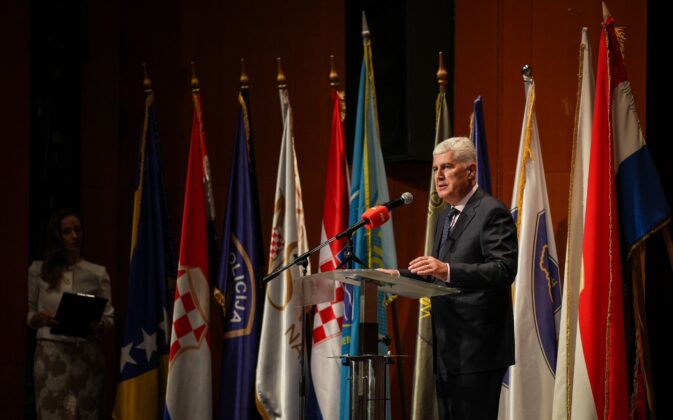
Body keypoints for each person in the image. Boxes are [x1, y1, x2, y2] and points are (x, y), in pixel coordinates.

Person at [387, 137, 517, 419]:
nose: (439, 176)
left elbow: (503, 269)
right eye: (435, 169)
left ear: (470, 171)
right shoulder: (445, 217)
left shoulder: (492, 212)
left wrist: (446, 269)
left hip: (478, 349)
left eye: (447, 167)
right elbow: (437, 274)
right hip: (449, 347)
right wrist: (398, 276)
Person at [27, 208, 114, 419]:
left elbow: (109, 317)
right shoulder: (38, 270)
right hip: (51, 354)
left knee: (84, 413)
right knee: (52, 413)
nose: (75, 236)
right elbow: (29, 313)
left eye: (78, 230)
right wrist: (37, 318)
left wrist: (100, 325)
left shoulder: (97, 273)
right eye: (67, 232)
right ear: (57, 236)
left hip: (85, 353)